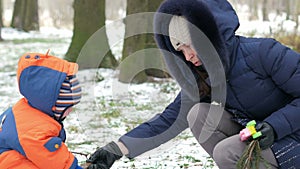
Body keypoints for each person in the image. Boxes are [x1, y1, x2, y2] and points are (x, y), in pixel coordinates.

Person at [86, 0, 300, 168]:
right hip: (262, 137)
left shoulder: (263, 52)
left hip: (293, 135)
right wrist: (116, 149)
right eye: (180, 51)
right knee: (197, 114)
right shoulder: (206, 76)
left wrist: (275, 126)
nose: (188, 57)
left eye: (190, 46)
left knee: (227, 152)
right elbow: (168, 121)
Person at [0, 52, 83, 169]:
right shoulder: (35, 131)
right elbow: (60, 165)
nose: (71, 110)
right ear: (53, 105)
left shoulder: (30, 109)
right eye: (67, 107)